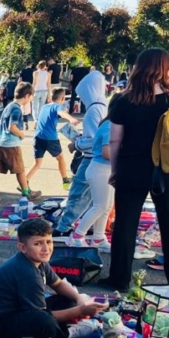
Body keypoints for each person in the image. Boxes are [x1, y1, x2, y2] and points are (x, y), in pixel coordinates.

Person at [101, 48, 169, 290]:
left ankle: (119, 279)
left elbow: (115, 140)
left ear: (138, 66)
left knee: (125, 224)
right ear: (165, 68)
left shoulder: (123, 99)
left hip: (132, 169)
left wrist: (115, 169)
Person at [0, 218, 104, 338]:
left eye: (49, 242)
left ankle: (45, 336)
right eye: (38, 243)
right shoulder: (28, 273)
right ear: (22, 247)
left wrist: (79, 299)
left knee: (68, 299)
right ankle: (66, 334)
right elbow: (42, 315)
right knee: (46, 323)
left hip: (20, 309)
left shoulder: (38, 260)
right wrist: (81, 310)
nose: (46, 248)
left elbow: (57, 284)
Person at [55, 69, 111, 237]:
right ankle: (92, 229)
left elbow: (94, 141)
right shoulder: (104, 106)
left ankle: (64, 227)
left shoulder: (94, 110)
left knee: (78, 194)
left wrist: (77, 144)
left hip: (91, 159)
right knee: (96, 198)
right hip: (102, 161)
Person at [0, 82, 41, 203]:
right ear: (27, 96)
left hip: (0, 143)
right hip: (11, 145)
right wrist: (22, 134)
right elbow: (12, 127)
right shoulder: (16, 109)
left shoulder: (9, 106)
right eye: (31, 97)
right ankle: (26, 192)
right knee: (20, 169)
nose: (31, 99)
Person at [66, 118, 113, 250]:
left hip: (105, 170)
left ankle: (98, 238)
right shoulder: (110, 126)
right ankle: (77, 236)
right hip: (101, 170)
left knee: (106, 207)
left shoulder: (110, 125)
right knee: (99, 206)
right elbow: (107, 153)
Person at [27, 88, 79, 187]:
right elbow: (61, 113)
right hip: (50, 139)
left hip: (38, 137)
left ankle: (25, 181)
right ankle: (65, 180)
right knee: (60, 158)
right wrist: (71, 119)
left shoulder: (45, 107)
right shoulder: (57, 107)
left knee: (37, 163)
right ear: (63, 98)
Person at [29, 61, 51, 129]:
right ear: (45, 66)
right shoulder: (48, 74)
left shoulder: (35, 73)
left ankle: (35, 120)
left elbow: (34, 83)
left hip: (36, 91)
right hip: (44, 91)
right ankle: (40, 121)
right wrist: (49, 94)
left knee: (34, 107)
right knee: (41, 107)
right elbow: (48, 84)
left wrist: (31, 93)